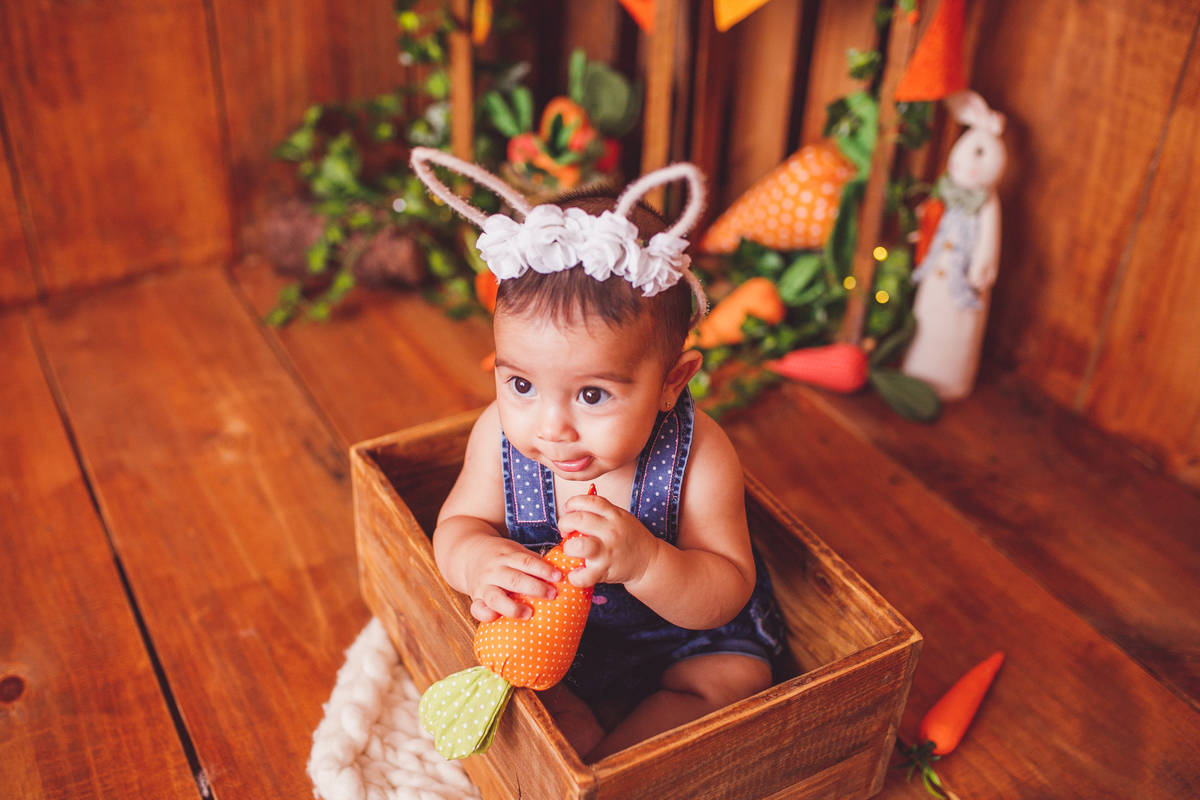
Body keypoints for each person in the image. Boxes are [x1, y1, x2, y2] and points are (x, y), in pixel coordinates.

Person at [410, 148, 783, 762]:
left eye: (592, 394)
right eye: (521, 385)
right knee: (527, 697)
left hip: (682, 643)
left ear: (672, 381)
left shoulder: (700, 457)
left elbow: (728, 586)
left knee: (735, 681)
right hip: (558, 646)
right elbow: (455, 526)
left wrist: (646, 564)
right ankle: (575, 765)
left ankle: (618, 767)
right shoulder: (498, 439)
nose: (552, 428)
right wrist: (479, 562)